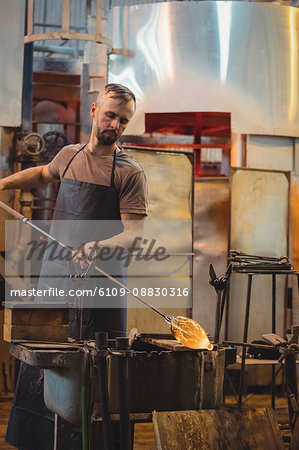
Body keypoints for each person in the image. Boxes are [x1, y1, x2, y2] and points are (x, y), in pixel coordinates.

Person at [3, 83, 148, 449]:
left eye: (124, 120)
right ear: (95, 109)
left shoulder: (129, 173)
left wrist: (100, 245)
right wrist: (3, 183)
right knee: (45, 360)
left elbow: (134, 234)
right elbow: (40, 175)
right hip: (55, 279)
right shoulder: (68, 156)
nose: (115, 124)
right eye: (111, 114)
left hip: (100, 287)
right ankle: (37, 439)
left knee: (93, 373)